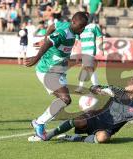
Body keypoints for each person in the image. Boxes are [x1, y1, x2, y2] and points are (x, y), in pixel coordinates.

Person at [28, 73, 133, 147]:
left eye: (132, 81)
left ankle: (76, 139)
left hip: (106, 130)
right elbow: (94, 87)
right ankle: (48, 136)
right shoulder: (117, 91)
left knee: (103, 138)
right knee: (79, 120)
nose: (129, 82)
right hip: (94, 118)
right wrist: (100, 90)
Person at [24, 12, 88, 141]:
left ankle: (39, 122)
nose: (83, 29)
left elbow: (53, 25)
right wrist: (37, 57)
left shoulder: (67, 26)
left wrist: (46, 36)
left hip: (59, 71)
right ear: (74, 23)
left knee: (63, 102)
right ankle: (39, 123)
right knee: (65, 99)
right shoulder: (63, 32)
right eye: (81, 27)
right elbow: (48, 44)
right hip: (48, 70)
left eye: (84, 27)